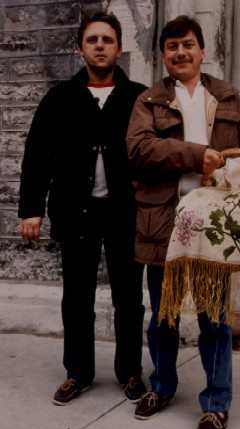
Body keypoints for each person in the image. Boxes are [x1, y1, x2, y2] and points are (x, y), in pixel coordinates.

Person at [127, 15, 240, 429]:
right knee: (163, 316)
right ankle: (164, 387)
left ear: (202, 51)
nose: (181, 53)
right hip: (163, 223)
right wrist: (196, 154)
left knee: (214, 319)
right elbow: (138, 148)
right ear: (164, 56)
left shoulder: (226, 96)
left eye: (188, 44)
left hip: (213, 226)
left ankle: (216, 403)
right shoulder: (149, 101)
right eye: (172, 47)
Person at [18, 11, 147, 405]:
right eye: (92, 40)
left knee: (129, 298)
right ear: (80, 48)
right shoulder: (59, 98)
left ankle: (130, 372)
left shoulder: (139, 97)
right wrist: (30, 210)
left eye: (107, 39)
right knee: (77, 298)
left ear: (119, 48)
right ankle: (78, 372)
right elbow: (37, 155)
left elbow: (154, 154)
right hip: (75, 212)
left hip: (125, 213)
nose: (100, 46)